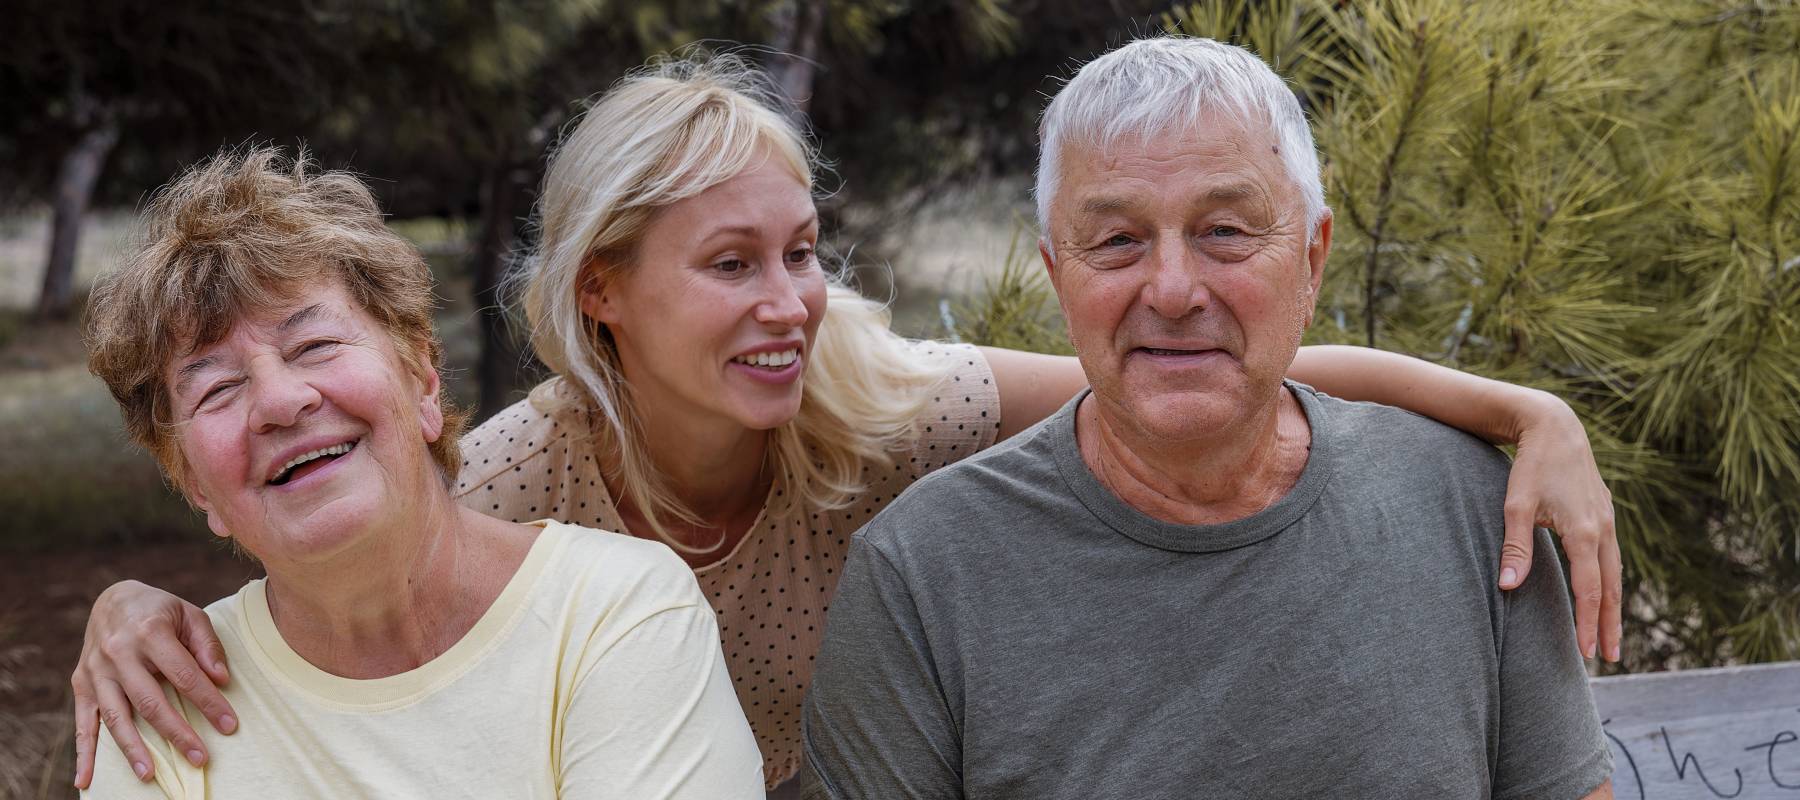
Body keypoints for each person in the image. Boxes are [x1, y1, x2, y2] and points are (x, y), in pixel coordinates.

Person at [71, 54, 1621, 794]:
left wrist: (1506, 406)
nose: (790, 303)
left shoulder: (874, 406)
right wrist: (134, 607)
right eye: (733, 264)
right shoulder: (507, 495)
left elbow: (1165, 373)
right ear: (601, 287)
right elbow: (331, 554)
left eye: (806, 253)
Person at [803, 37, 1614, 798]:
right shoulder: (922, 575)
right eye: (1117, 240)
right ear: (1057, 274)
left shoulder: (1468, 509)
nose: (1172, 289)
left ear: (1312, 259)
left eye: (1224, 232)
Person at [79, 148, 763, 798]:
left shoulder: (618, 616)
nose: (280, 403)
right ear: (194, 483)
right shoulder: (158, 695)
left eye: (314, 345)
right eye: (217, 390)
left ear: (423, 383)